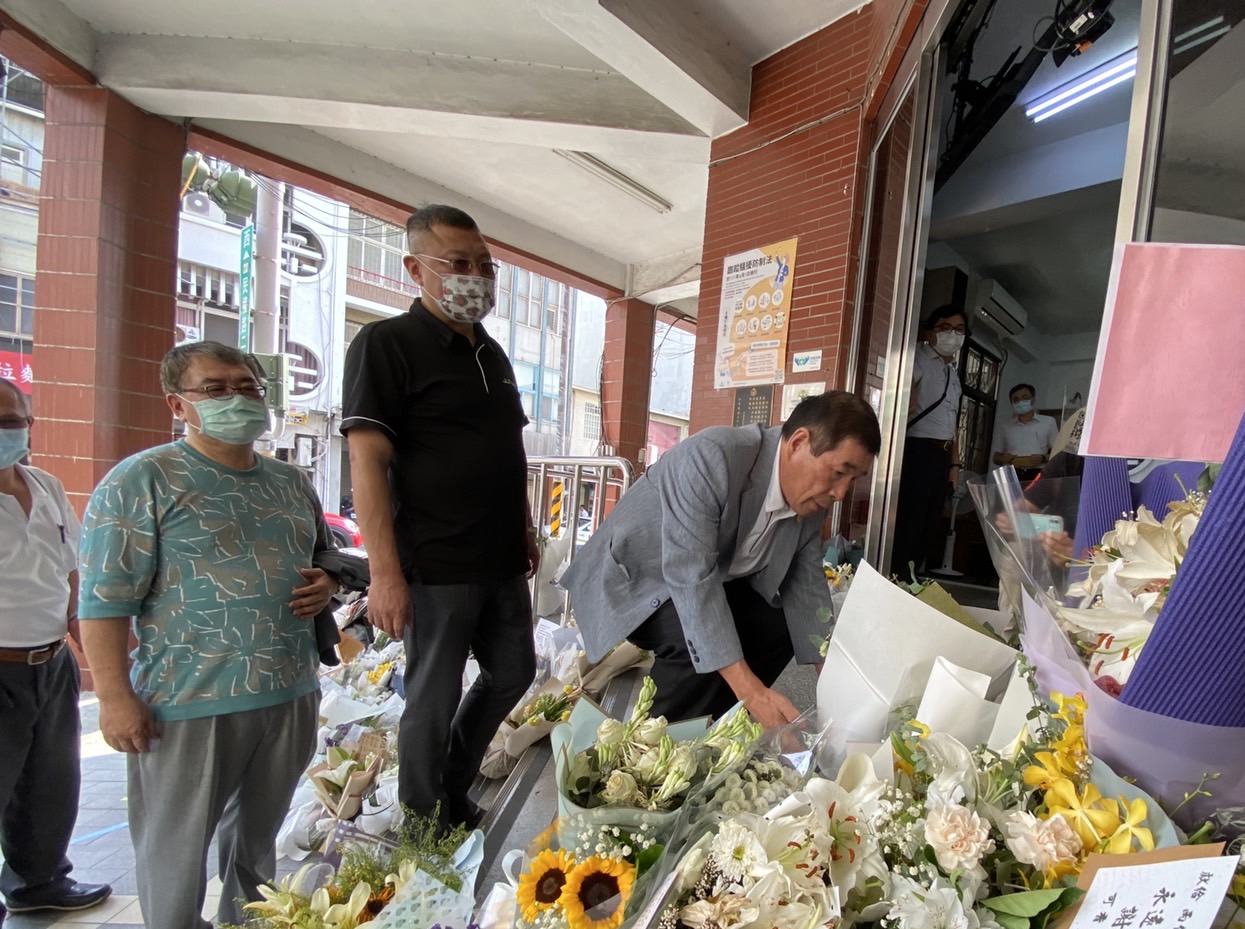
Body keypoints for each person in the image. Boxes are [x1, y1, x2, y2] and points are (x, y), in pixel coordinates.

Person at [78, 342, 336, 929]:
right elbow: (104, 602)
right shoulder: (140, 481)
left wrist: (327, 584)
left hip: (287, 691)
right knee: (175, 857)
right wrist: (115, 697)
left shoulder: (290, 483)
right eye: (216, 389)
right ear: (178, 404)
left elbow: (324, 559)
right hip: (187, 702)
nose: (238, 398)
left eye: (247, 386)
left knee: (258, 852)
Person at [341, 204, 537, 830]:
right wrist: (384, 574)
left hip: (501, 559)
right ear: (415, 268)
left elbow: (508, 450)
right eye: (458, 263)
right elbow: (368, 462)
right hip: (435, 563)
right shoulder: (385, 345)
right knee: (433, 693)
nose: (474, 276)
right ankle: (424, 820)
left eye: (484, 266)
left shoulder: (493, 355)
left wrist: (526, 526)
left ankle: (451, 787)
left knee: (514, 673)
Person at [562, 391, 879, 728]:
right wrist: (752, 691)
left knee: (779, 623)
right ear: (799, 442)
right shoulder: (713, 456)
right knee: (692, 635)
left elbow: (807, 584)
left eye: (853, 479)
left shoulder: (811, 500)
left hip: (713, 581)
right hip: (637, 581)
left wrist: (836, 678)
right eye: (838, 472)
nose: (841, 493)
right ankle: (655, 742)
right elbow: (691, 580)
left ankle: (720, 724)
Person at [0, 380, 110, 929]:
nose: (11, 431)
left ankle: (39, 882)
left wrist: (79, 631)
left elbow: (71, 570)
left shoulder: (42, 486)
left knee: (50, 784)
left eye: (17, 420)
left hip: (50, 662)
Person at [892, 304, 985, 578]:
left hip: (941, 458)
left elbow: (953, 424)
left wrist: (954, 466)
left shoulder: (952, 375)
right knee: (910, 521)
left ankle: (911, 579)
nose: (952, 335)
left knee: (930, 525)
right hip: (917, 451)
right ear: (930, 331)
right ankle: (897, 577)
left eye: (959, 330)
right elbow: (901, 402)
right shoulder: (918, 359)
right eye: (945, 328)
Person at [993, 383, 1057, 480]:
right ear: (1012, 403)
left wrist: (1043, 458)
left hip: (1038, 472)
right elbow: (996, 457)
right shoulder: (1005, 427)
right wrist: (1003, 458)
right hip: (1012, 474)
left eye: (1025, 398)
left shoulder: (1048, 422)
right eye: (1016, 400)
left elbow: (1057, 452)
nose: (1020, 402)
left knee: (1036, 495)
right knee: (1013, 496)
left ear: (1033, 399)